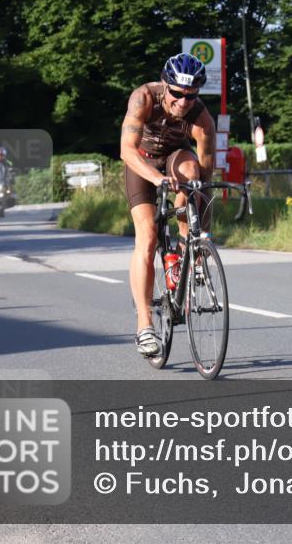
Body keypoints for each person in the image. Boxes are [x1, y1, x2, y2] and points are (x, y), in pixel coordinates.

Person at [120, 53, 217, 357]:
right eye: (176, 93)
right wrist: (155, 178)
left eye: (191, 95)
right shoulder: (143, 98)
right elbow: (126, 150)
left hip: (176, 157)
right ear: (165, 85)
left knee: (193, 176)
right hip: (142, 162)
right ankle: (144, 325)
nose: (183, 102)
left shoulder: (202, 120)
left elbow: (206, 180)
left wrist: (203, 238)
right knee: (147, 235)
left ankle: (183, 251)